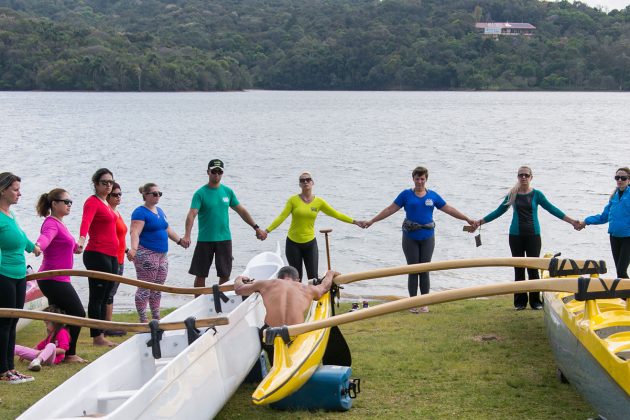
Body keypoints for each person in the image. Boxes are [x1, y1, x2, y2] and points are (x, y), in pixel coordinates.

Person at [365, 166, 474, 314]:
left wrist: (466, 218)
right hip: (410, 237)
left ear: (426, 179)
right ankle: (412, 303)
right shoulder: (405, 195)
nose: (420, 182)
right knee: (412, 269)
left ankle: (424, 303)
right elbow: (390, 209)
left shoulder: (433, 196)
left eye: (422, 179)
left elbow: (449, 209)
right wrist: (372, 221)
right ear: (413, 179)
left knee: (425, 269)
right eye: (417, 179)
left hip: (428, 237)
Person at [474, 166, 580, 310]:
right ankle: (520, 302)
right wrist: (480, 222)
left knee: (533, 268)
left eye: (526, 175)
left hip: (533, 236)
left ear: (531, 177)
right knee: (518, 268)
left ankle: (535, 302)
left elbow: (552, 209)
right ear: (517, 177)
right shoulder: (513, 194)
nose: (523, 177)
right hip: (515, 235)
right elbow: (499, 211)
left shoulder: (537, 194)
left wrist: (572, 221)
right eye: (520, 175)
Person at [265, 171, 367, 281]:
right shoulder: (293, 200)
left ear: (312, 182)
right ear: (299, 184)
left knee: (313, 278)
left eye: (308, 179)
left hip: (310, 244)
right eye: (302, 180)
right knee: (296, 278)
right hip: (293, 244)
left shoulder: (319, 202)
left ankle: (313, 298)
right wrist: (266, 231)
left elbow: (336, 214)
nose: (305, 182)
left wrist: (355, 221)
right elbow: (281, 217)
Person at [182, 159, 267, 288]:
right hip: (205, 240)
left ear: (222, 173)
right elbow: (192, 214)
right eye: (214, 171)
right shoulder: (200, 193)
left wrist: (256, 227)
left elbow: (241, 211)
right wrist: (187, 235)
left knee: (225, 274)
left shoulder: (227, 192)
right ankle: (198, 303)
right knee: (200, 274)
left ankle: (221, 303)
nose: (216, 174)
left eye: (219, 172)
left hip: (224, 239)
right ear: (208, 172)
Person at [34, 188, 86, 363]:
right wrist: (39, 246)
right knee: (77, 313)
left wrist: (75, 248)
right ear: (54, 204)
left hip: (58, 278)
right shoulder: (51, 223)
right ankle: (70, 353)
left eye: (71, 202)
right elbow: (46, 238)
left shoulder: (60, 223)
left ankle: (56, 350)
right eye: (66, 202)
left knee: (59, 315)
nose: (69, 205)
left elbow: (63, 245)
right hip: (52, 278)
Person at [0, 172, 40, 384]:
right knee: (4, 324)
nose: (19, 193)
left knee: (13, 321)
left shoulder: (10, 214)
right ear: (2, 190)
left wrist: (32, 246)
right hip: (3, 274)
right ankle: (3, 370)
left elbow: (20, 235)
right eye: (15, 189)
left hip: (18, 274)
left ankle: (11, 369)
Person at [128, 183, 186, 322]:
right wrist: (134, 249)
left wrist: (180, 241)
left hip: (162, 255)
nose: (157, 196)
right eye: (154, 193)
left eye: (159, 193)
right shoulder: (140, 212)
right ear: (145, 195)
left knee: (158, 287)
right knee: (145, 287)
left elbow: (167, 229)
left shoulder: (160, 211)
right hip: (146, 253)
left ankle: (156, 318)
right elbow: (134, 232)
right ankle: (143, 320)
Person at [78, 168, 119, 347]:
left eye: (110, 182)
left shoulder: (106, 203)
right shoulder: (92, 202)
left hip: (111, 255)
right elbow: (85, 222)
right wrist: (81, 239)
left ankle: (101, 332)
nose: (108, 185)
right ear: (96, 184)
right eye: (104, 182)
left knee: (105, 296)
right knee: (97, 296)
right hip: (97, 254)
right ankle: (97, 336)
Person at [578, 167, 630, 279]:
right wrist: (586, 221)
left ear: (629, 180)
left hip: (628, 238)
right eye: (617, 177)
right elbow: (603, 217)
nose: (620, 180)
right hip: (614, 237)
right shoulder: (614, 197)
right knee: (619, 270)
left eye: (623, 178)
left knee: (621, 269)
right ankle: (623, 296)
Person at [103, 183, 127, 337]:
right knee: (109, 292)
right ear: (108, 196)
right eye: (115, 195)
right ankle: (107, 325)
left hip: (120, 256)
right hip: (112, 257)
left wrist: (127, 250)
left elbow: (119, 236)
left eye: (120, 194)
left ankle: (106, 323)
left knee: (112, 291)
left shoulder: (116, 213)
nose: (118, 197)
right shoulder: (108, 214)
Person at [14, 305, 70, 371]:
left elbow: (63, 350)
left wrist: (43, 351)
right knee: (16, 347)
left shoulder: (62, 332)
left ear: (55, 322)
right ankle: (5, 360)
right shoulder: (50, 335)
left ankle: (37, 362)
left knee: (51, 346)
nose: (46, 325)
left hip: (50, 359)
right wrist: (25, 354)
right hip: (39, 355)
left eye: (47, 323)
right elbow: (38, 347)